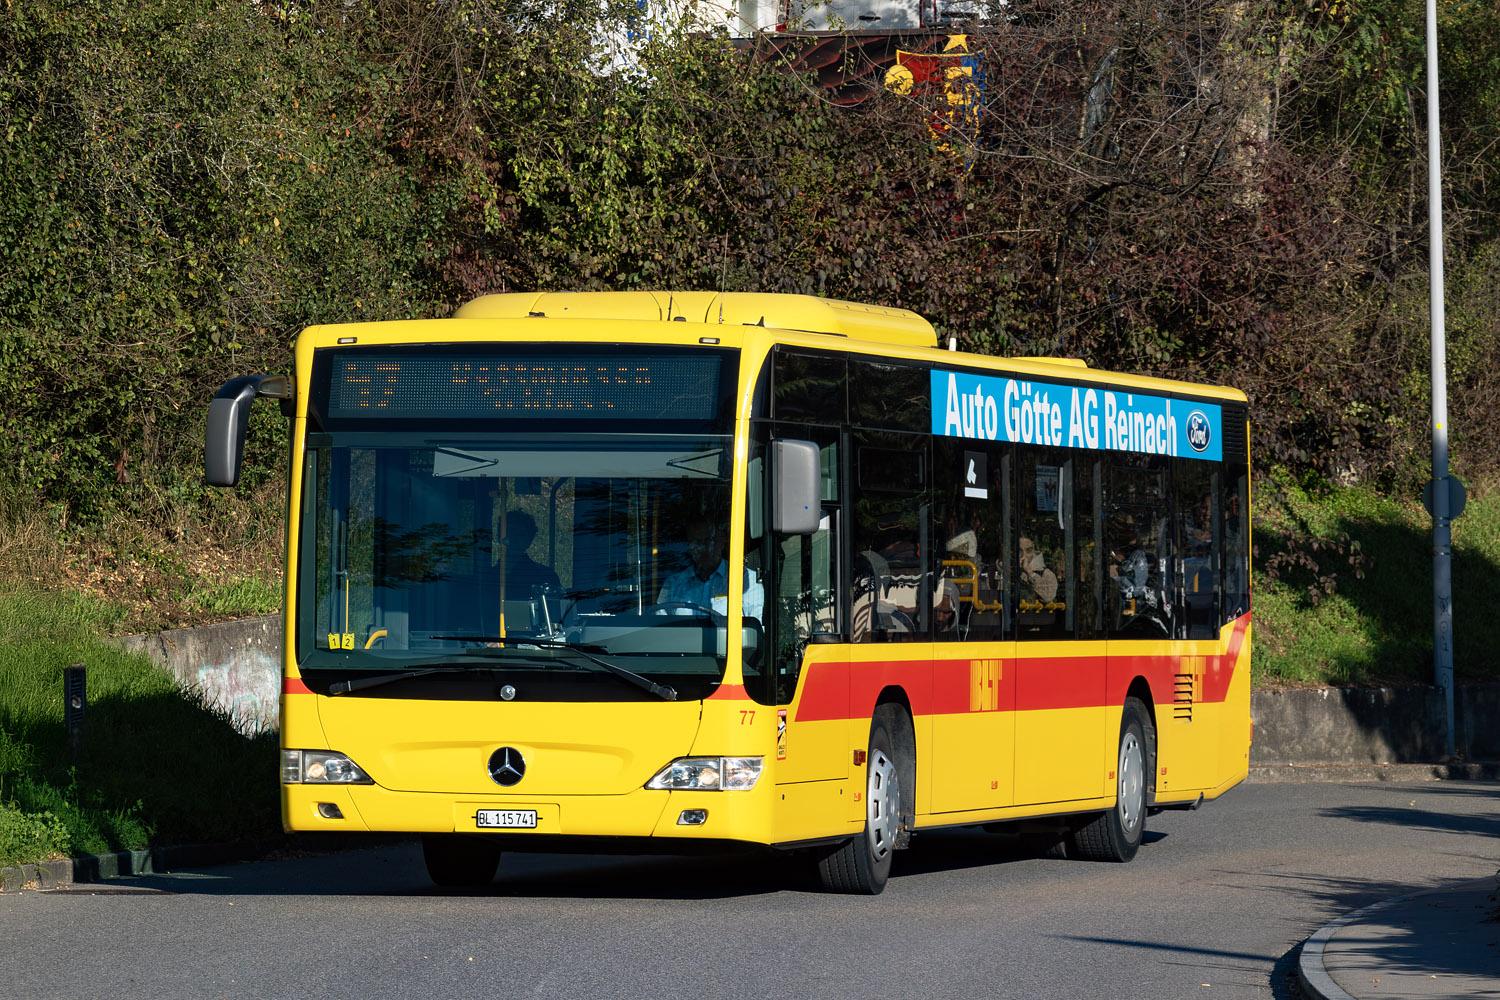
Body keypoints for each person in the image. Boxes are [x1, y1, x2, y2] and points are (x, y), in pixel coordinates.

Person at [657, 518, 764, 622]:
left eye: (708, 540)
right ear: (689, 546)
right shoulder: (674, 583)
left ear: (721, 543)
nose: (702, 548)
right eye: (696, 541)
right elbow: (660, 628)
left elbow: (756, 628)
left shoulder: (746, 580)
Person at [500, 511, 560, 599]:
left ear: (529, 539)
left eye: (521, 535)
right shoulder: (486, 576)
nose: (514, 539)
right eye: (510, 532)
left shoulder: (545, 577)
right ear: (500, 537)